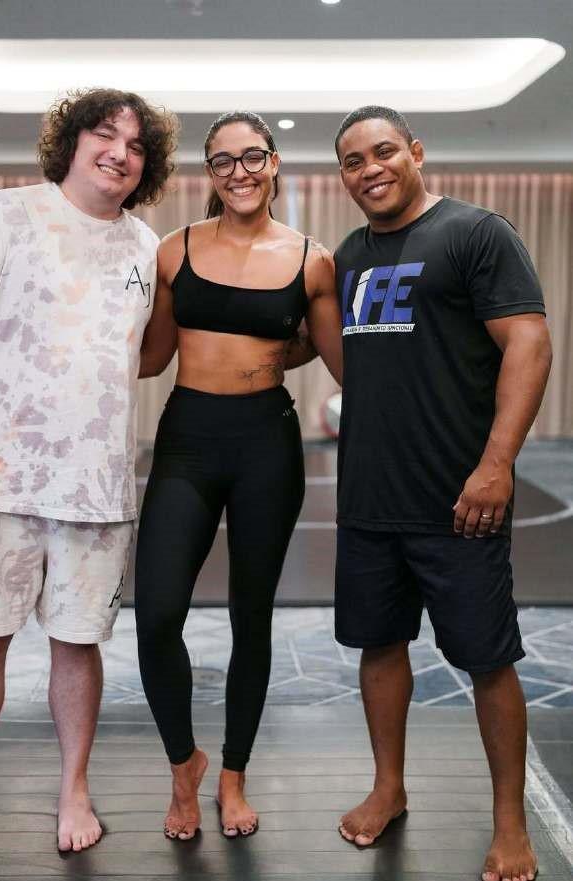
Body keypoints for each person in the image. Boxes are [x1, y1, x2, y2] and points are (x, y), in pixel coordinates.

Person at [0, 88, 177, 869]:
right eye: (106, 135)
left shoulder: (145, 247)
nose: (120, 152)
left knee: (77, 643)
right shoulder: (4, 215)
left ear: (149, 165)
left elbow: (145, 355)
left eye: (137, 145)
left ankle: (74, 788)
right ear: (71, 141)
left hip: (96, 487)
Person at [332, 105, 551, 881]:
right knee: (379, 645)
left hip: (461, 499)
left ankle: (509, 822)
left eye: (384, 151)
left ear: (416, 152)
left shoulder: (476, 233)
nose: (370, 169)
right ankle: (388, 787)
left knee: (488, 660)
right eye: (353, 160)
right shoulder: (349, 255)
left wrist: (497, 464)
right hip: (369, 499)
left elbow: (529, 342)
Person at [135, 110, 342, 841]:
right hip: (188, 439)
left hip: (266, 443)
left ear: (274, 162)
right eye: (222, 161)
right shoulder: (175, 249)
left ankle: (233, 776)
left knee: (251, 616)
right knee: (157, 614)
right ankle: (183, 764)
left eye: (252, 157)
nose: (239, 172)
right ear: (210, 174)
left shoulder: (312, 260)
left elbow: (340, 358)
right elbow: (150, 358)